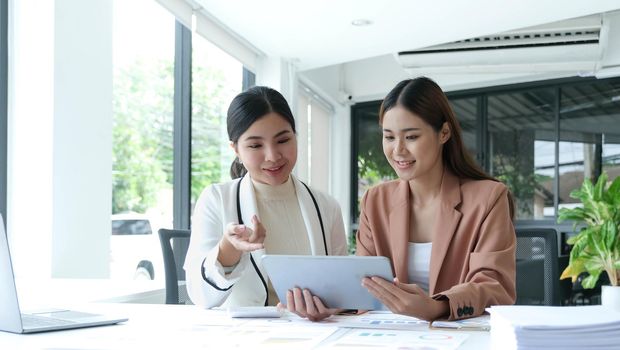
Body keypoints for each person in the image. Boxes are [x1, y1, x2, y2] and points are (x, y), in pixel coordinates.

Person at [357, 77, 516, 321]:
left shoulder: (488, 198)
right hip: (390, 337)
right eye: (389, 137)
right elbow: (363, 287)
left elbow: (495, 288)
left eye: (411, 137)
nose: (398, 150)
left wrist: (437, 307)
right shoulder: (374, 201)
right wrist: (331, 305)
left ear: (443, 133)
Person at [184, 86, 348, 315]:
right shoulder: (216, 200)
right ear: (236, 150)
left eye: (283, 140)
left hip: (313, 336)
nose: (272, 156)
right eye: (255, 145)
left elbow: (342, 291)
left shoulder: (326, 206)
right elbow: (201, 296)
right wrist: (228, 249)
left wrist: (329, 308)